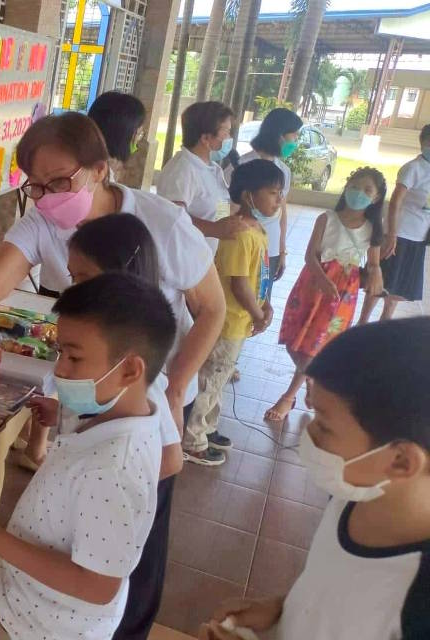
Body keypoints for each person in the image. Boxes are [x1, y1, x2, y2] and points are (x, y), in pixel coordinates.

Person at [0, 104, 224, 443]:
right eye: (36, 186)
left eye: (58, 182)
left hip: (152, 394)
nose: (46, 198)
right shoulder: (42, 222)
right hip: (84, 392)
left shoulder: (162, 222)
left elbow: (213, 309)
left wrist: (177, 388)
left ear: (98, 170)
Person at [0, 273, 177, 640]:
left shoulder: (112, 469)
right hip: (34, 613)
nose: (60, 368)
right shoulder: (131, 409)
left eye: (74, 357)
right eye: (60, 351)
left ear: (129, 369)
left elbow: (99, 586)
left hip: (45, 630)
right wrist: (61, 414)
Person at [198, 317, 430, 640]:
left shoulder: (418, 604)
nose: (308, 432)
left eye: (324, 425)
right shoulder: (355, 490)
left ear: (401, 461)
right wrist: (282, 607)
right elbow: (330, 583)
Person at [65, 214, 184, 640]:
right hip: (110, 515)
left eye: (86, 279)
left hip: (132, 513)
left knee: (127, 600)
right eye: (72, 277)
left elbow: (172, 459)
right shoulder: (113, 359)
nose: (75, 290)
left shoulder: (148, 377)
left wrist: (113, 479)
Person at [266, 168, 386, 423]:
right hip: (312, 285)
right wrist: (321, 278)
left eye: (367, 190)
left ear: (375, 199)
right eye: (355, 186)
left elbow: (373, 268)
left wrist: (371, 291)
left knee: (313, 348)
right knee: (294, 340)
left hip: (341, 297)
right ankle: (311, 379)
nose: (359, 193)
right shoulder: (326, 218)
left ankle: (289, 396)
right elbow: (310, 255)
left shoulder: (372, 230)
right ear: (346, 186)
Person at [183, 160, 281, 466]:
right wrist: (258, 313)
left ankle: (208, 427)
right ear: (250, 195)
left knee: (220, 378)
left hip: (240, 320)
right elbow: (239, 284)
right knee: (210, 380)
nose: (279, 200)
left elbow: (257, 276)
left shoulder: (257, 229)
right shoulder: (238, 233)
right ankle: (192, 439)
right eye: (273, 193)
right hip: (227, 321)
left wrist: (264, 305)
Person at [225, 107, 303, 295]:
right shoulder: (241, 166)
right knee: (239, 293)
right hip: (242, 243)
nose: (296, 142)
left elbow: (282, 213)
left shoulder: (283, 170)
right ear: (279, 135)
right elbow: (223, 206)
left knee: (262, 296)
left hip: (271, 247)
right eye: (294, 136)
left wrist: (282, 250)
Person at [359, 124, 430, 324]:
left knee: (398, 287)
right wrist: (391, 235)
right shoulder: (413, 168)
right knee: (381, 283)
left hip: (418, 236)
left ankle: (385, 324)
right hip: (400, 232)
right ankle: (362, 322)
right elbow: (396, 201)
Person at [158, 101, 247, 252]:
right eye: (225, 132)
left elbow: (218, 210)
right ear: (205, 138)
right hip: (182, 260)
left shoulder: (213, 168)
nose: (229, 138)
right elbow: (172, 217)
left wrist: (239, 209)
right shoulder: (183, 169)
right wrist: (214, 229)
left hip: (204, 257)